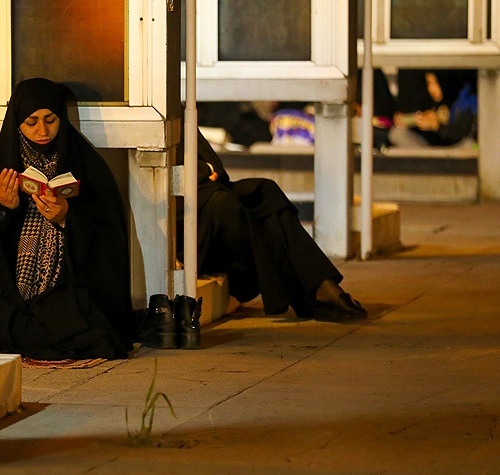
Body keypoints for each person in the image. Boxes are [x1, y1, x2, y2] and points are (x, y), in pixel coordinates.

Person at [0, 78, 136, 359]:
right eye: (31, 122)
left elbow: (108, 246)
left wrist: (67, 219)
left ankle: (26, 336)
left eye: (51, 120)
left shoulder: (88, 166)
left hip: (63, 290)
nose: (43, 131)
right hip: (9, 295)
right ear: (16, 123)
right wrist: (3, 211)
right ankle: (44, 337)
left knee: (79, 308)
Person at [189, 133, 368, 323]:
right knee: (227, 206)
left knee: (266, 192)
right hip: (185, 208)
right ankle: (315, 293)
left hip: (206, 191)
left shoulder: (181, 118)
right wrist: (204, 171)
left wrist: (206, 171)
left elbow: (218, 169)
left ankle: (320, 286)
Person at [390, 70, 477, 148]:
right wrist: (413, 121)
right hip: (432, 149)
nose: (432, 89)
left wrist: (438, 126)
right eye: (429, 83)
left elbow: (460, 134)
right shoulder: (435, 101)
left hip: (457, 148)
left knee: (469, 144)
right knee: (397, 133)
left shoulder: (464, 101)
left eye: (436, 83)